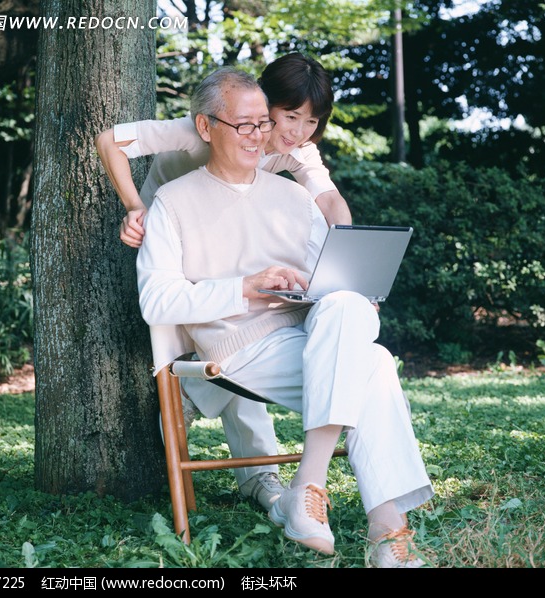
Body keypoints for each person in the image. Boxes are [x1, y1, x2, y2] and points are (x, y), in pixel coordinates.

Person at [136, 67, 434, 568]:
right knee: (376, 366)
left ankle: (311, 489)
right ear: (208, 127)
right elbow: (157, 301)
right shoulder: (172, 200)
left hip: (304, 335)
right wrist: (245, 287)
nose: (262, 137)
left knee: (348, 303)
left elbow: (330, 273)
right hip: (239, 346)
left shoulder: (297, 197)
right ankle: (388, 538)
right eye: (247, 125)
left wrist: (347, 292)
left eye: (262, 126)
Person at [95, 54, 351, 515]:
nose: (296, 131)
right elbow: (110, 140)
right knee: (222, 329)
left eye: (311, 121)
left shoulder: (295, 147)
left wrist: (346, 258)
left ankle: (237, 447)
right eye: (289, 116)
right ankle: (256, 473)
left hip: (233, 232)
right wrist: (135, 207)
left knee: (248, 324)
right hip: (177, 229)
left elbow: (329, 199)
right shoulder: (203, 127)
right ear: (260, 102)